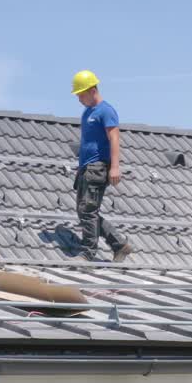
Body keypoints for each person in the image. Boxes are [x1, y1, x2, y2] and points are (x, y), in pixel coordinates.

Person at [71, 69, 132, 262]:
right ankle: (119, 245)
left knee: (87, 210)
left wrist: (115, 167)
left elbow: (114, 138)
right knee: (84, 210)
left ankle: (88, 253)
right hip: (86, 168)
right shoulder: (88, 112)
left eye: (80, 94)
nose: (79, 98)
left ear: (91, 90)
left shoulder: (106, 111)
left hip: (98, 168)